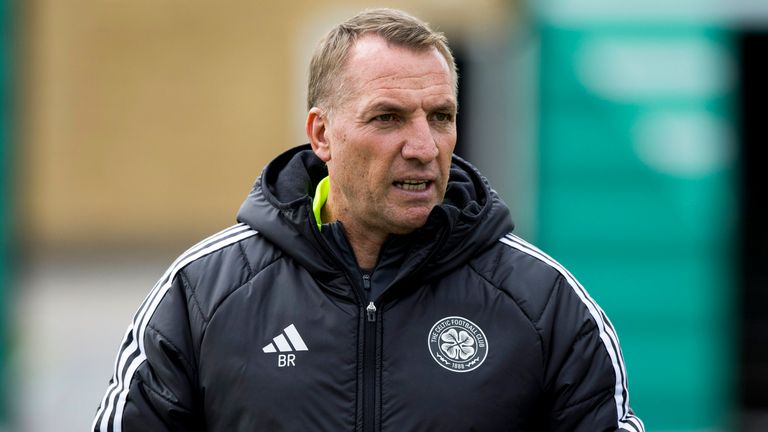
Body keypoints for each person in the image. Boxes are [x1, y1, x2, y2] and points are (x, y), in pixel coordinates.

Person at [93, 8, 644, 432]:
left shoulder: (543, 302)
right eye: (388, 118)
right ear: (322, 134)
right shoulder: (202, 293)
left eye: (441, 117)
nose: (424, 147)